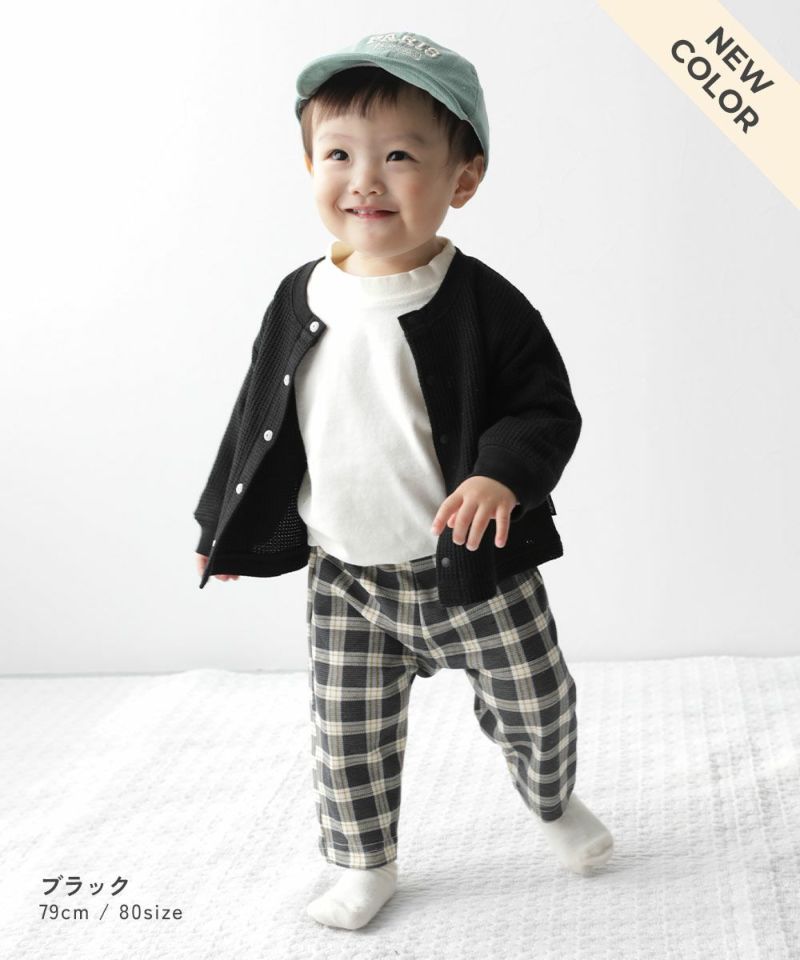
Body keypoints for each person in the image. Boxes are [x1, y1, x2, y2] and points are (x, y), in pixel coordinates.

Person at [193, 31, 614, 931]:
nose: (365, 181)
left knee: (539, 703)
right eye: (339, 154)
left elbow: (545, 409)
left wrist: (501, 477)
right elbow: (256, 417)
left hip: (474, 568)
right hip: (346, 578)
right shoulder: (299, 297)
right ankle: (364, 863)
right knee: (347, 733)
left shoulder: (483, 302)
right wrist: (220, 524)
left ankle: (552, 800)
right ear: (309, 164)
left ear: (465, 177)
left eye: (399, 157)